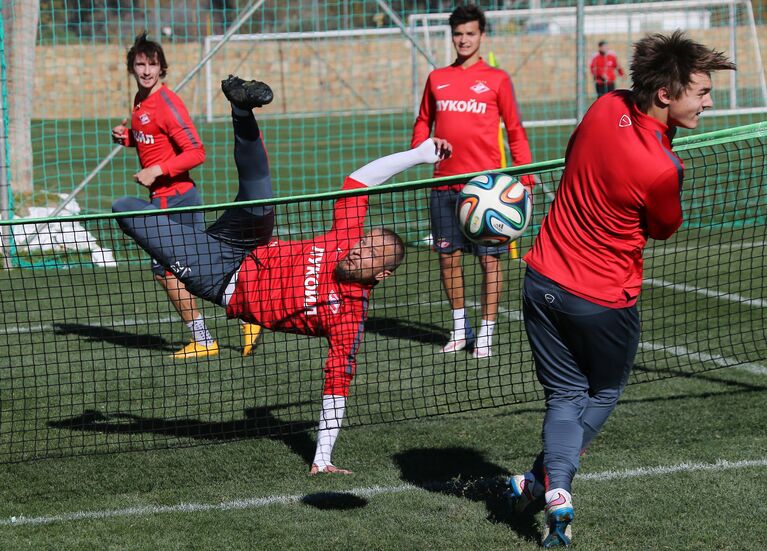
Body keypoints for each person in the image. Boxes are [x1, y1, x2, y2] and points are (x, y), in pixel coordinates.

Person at [115, 75, 452, 474]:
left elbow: (337, 385)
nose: (360, 250)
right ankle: (242, 106)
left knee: (125, 206)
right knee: (260, 193)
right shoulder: (345, 239)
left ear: (381, 276)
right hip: (250, 240)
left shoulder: (349, 317)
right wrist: (420, 154)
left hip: (222, 278)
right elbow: (359, 181)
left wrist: (322, 457)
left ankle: (187, 235)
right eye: (366, 242)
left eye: (372, 254)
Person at [506, 31, 735, 547]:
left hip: (540, 280)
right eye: (700, 91)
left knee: (564, 395)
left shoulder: (603, 106)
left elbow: (575, 158)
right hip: (602, 300)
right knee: (602, 392)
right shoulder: (662, 169)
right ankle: (546, 482)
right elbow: (661, 228)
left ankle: (552, 488)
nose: (708, 101)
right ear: (665, 95)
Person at [111, 33, 262, 359]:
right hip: (164, 199)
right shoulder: (140, 102)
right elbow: (152, 140)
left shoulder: (166, 103)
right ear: (132, 67)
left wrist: (157, 171)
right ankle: (246, 317)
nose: (146, 70)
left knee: (170, 270)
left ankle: (212, 335)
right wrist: (126, 139)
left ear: (162, 68)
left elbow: (196, 152)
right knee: (194, 267)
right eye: (140, 64)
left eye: (152, 64)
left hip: (175, 198)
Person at [411, 3, 534, 359]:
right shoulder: (437, 78)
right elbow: (423, 122)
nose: (464, 40)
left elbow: (515, 131)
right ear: (452, 36)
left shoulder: (497, 79)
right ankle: (459, 325)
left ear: (482, 36)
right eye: (458, 34)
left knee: (489, 262)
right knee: (448, 258)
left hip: (488, 190)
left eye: (470, 34)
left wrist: (524, 176)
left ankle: (486, 331)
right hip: (443, 185)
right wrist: (421, 147)